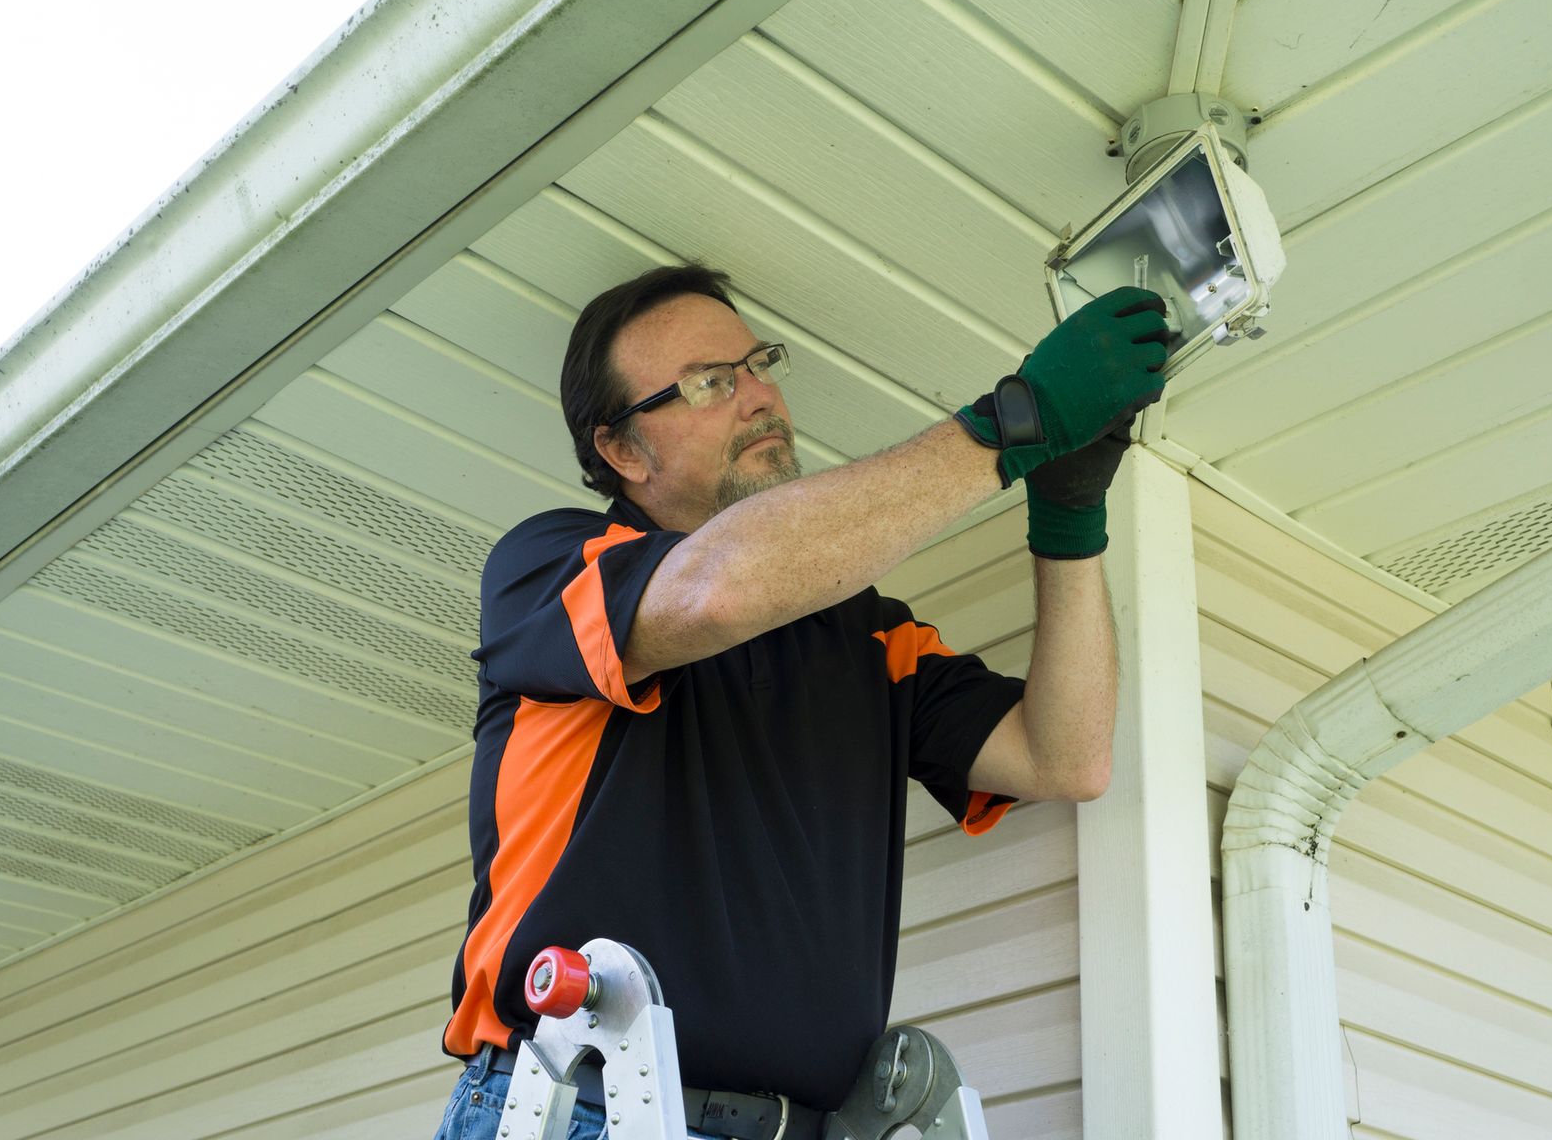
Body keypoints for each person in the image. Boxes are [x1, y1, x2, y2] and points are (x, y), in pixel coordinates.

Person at [431, 264, 1168, 1140]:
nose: (758, 397)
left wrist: (1071, 520)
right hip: (578, 1110)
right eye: (711, 381)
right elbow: (720, 587)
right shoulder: (549, 567)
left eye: (758, 364)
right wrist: (1010, 428)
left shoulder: (865, 636)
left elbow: (1066, 755)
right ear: (624, 451)